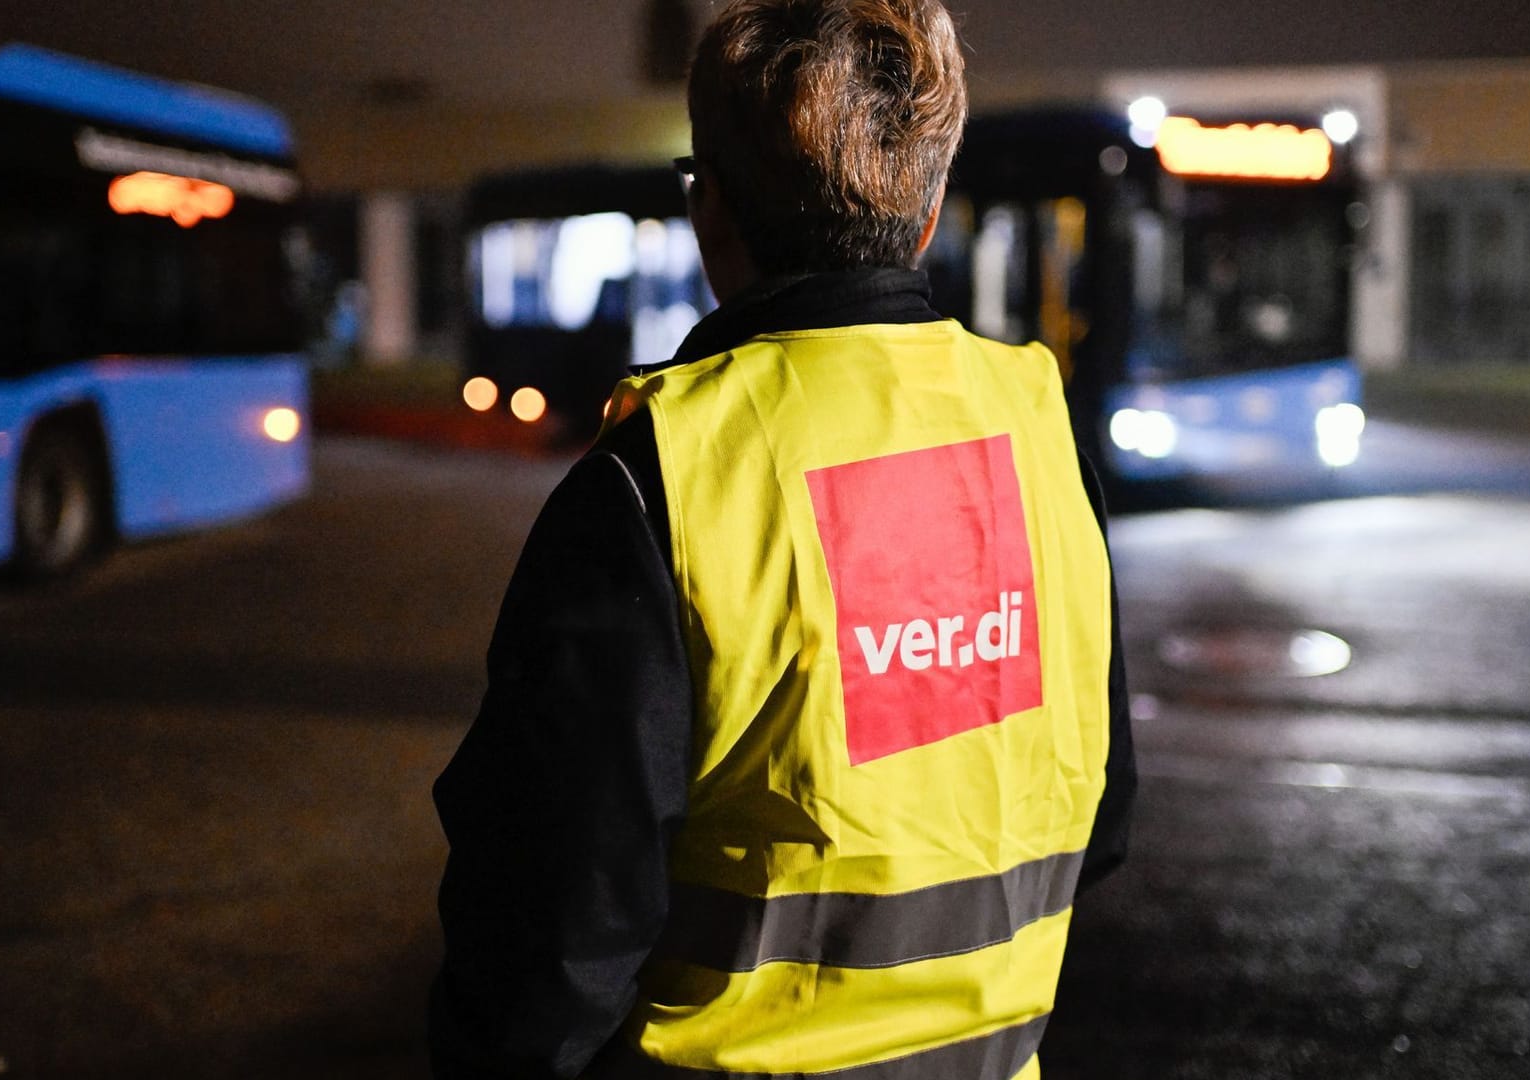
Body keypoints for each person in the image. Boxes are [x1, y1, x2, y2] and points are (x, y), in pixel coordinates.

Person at [428, 1, 1134, 1076]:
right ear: (930, 206)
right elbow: (1106, 817)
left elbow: (552, 930)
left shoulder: (660, 473)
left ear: (712, 209)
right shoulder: (1040, 424)